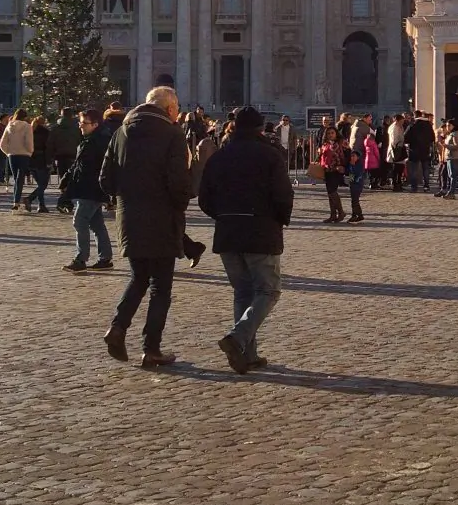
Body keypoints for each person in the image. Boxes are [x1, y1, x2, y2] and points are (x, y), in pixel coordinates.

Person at [199, 105, 295, 373]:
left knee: (242, 293)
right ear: (259, 127)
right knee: (268, 291)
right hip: (260, 230)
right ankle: (237, 338)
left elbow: (204, 197)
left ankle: (247, 355)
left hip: (228, 231)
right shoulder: (270, 156)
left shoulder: (218, 157)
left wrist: (225, 215)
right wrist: (278, 220)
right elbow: (283, 195)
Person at [100, 85, 191, 368]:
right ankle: (151, 348)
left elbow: (105, 179)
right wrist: (181, 202)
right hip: (162, 218)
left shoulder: (121, 133)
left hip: (129, 219)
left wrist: (125, 198)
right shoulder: (173, 134)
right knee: (160, 287)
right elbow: (178, 182)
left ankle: (117, 327)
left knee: (139, 277)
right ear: (170, 109)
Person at [64, 107, 115, 272]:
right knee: (96, 224)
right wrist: (69, 176)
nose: (80, 126)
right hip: (87, 187)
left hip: (92, 188)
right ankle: (105, 258)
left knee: (79, 221)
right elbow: (80, 163)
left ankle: (81, 259)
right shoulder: (90, 139)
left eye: (84, 123)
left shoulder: (99, 141)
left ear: (95, 124)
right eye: (80, 122)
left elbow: (102, 167)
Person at [1, 112, 37, 212]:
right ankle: (16, 202)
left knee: (16, 178)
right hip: (24, 155)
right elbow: (29, 142)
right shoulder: (27, 126)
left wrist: (8, 152)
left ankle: (15, 202)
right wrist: (30, 151)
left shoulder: (9, 125)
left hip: (12, 155)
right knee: (20, 179)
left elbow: (2, 143)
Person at [317, 129, 348, 223]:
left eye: (332, 133)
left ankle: (341, 212)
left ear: (336, 134)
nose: (330, 135)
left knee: (332, 192)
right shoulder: (325, 144)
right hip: (327, 170)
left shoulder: (338, 143)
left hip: (335, 170)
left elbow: (341, 156)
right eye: (328, 133)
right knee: (329, 193)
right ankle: (333, 214)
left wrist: (340, 166)